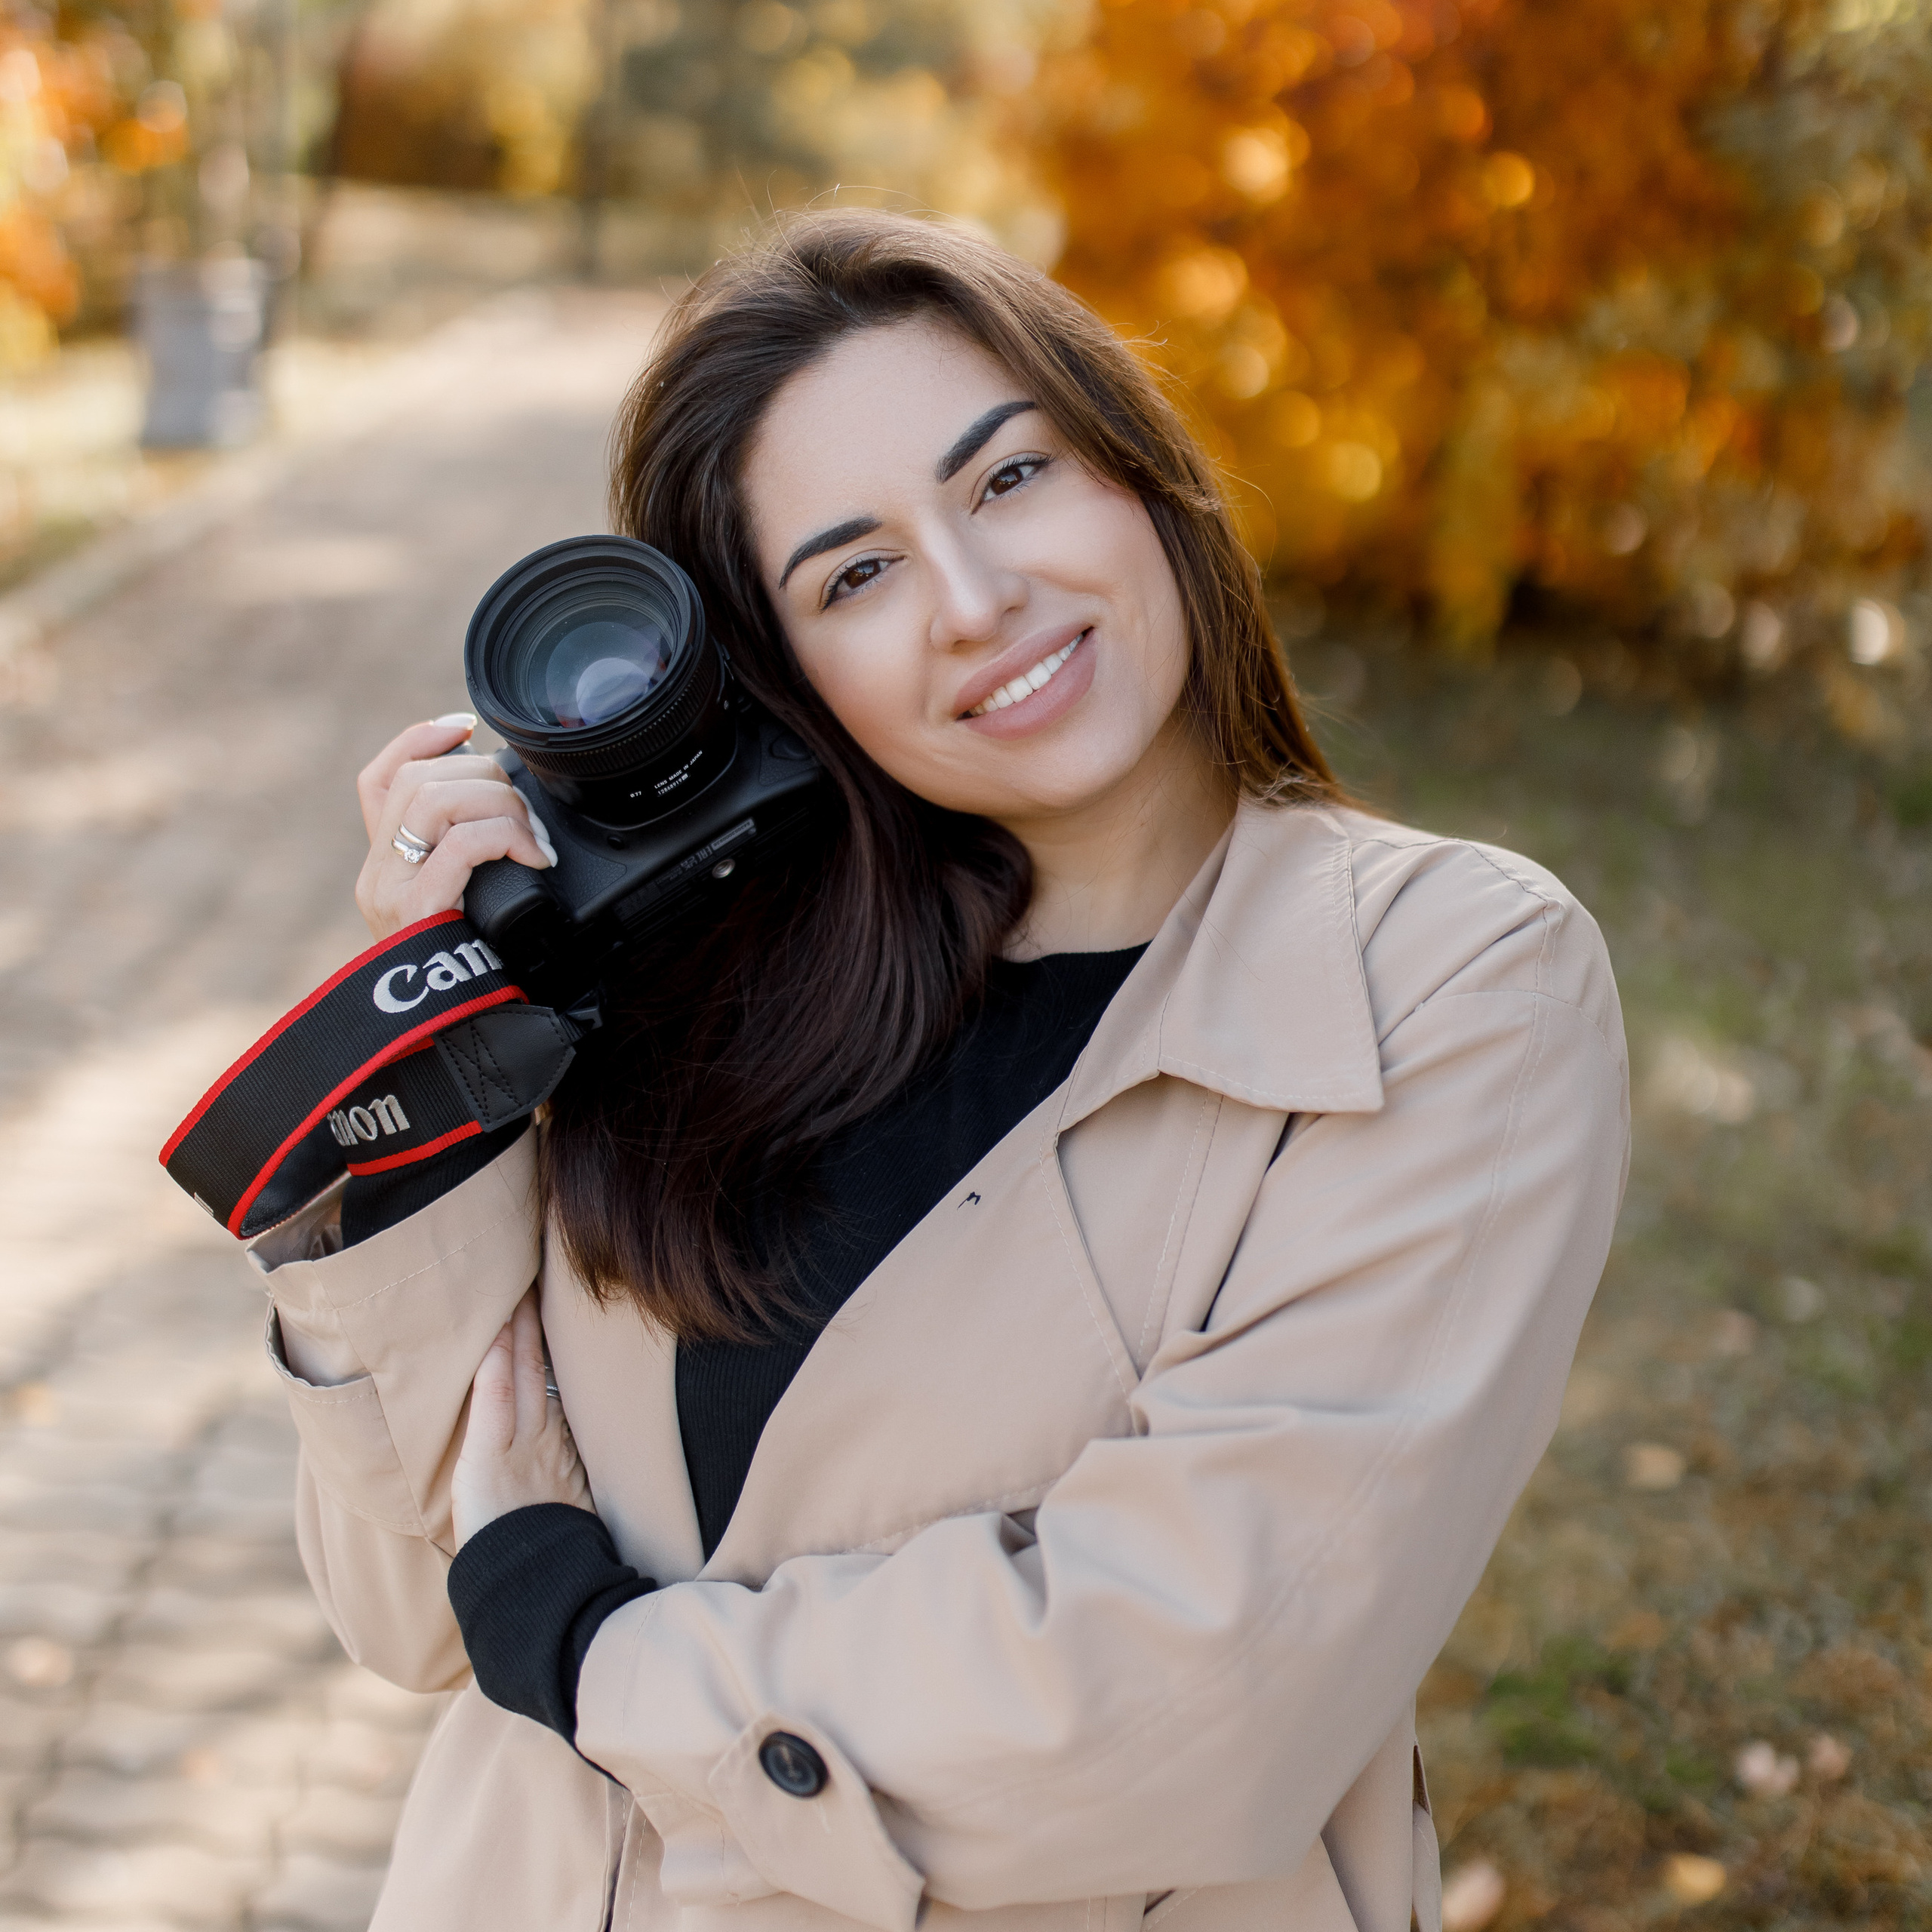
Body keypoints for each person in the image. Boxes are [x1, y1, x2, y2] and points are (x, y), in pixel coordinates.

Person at [254, 210, 1629, 1932]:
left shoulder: (1441, 978)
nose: (977, 602)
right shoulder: (696, 977)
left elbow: (1196, 1697)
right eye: (855, 574)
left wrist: (608, 1661)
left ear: (1137, 470)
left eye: (1007, 480)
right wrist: (428, 1076)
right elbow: (421, 1607)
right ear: (775, 673)